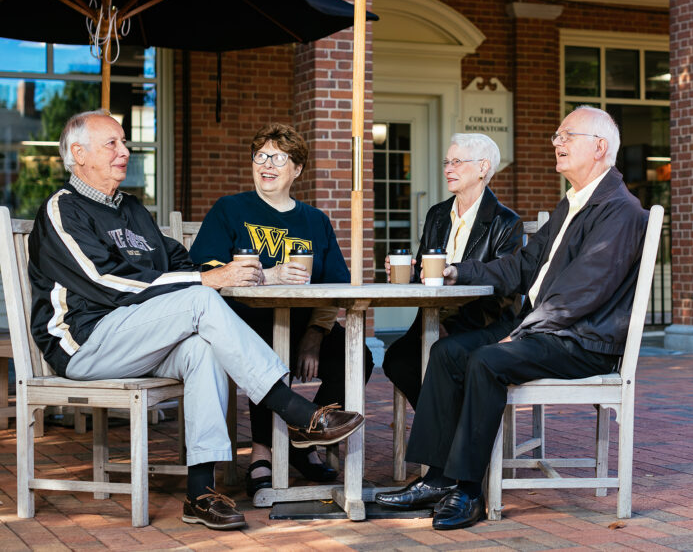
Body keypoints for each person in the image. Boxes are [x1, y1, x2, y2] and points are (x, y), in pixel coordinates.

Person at [27, 110, 364, 531]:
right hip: (85, 340)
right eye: (112, 143)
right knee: (199, 299)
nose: (125, 151)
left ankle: (200, 492)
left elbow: (176, 260)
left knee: (202, 346)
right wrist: (209, 277)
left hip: (137, 336)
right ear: (78, 153)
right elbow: (106, 282)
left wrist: (217, 272)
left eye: (124, 142)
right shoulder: (63, 209)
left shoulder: (131, 209)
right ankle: (297, 412)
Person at [375, 106, 647, 530]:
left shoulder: (620, 209)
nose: (555, 143)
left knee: (486, 359)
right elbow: (519, 266)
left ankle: (468, 491)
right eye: (556, 136)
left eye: (565, 136)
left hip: (581, 340)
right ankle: (437, 478)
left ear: (599, 148)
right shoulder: (572, 203)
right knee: (446, 352)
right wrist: (458, 270)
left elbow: (584, 293)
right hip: (547, 330)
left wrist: (520, 333)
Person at [188, 123, 374, 498]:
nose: (267, 165)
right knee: (268, 350)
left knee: (358, 356)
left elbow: (335, 286)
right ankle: (263, 452)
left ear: (297, 169)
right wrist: (266, 275)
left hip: (306, 323)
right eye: (260, 156)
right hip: (243, 325)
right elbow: (204, 273)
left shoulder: (315, 220)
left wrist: (315, 334)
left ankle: (300, 437)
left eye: (278, 157)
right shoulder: (230, 209)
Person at [382, 133, 522, 409]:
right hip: (433, 319)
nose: (448, 169)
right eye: (447, 162)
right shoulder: (437, 215)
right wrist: (409, 274)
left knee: (442, 355)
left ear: (483, 168)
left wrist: (454, 325)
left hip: (483, 321)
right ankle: (444, 428)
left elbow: (507, 289)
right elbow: (429, 271)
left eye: (457, 161)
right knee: (397, 360)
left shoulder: (506, 222)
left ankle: (444, 434)